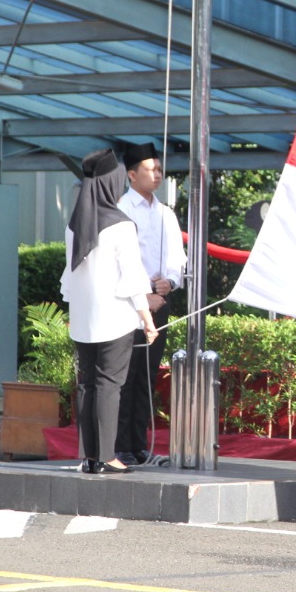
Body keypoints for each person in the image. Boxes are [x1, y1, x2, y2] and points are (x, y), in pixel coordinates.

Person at [60, 148, 158, 475]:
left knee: (88, 385)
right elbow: (132, 279)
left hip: (83, 320)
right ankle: (107, 456)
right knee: (109, 385)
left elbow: (68, 278)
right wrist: (146, 319)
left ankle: (89, 457)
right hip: (115, 319)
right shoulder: (121, 225)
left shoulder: (73, 226)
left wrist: (75, 310)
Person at [115, 142, 187, 466]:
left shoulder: (166, 213)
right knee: (125, 375)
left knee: (147, 375)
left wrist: (169, 282)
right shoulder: (121, 209)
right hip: (128, 303)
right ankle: (119, 446)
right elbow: (119, 261)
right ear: (132, 174)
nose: (157, 174)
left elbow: (177, 260)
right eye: (150, 169)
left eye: (159, 169)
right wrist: (145, 289)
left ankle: (139, 444)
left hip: (160, 301)